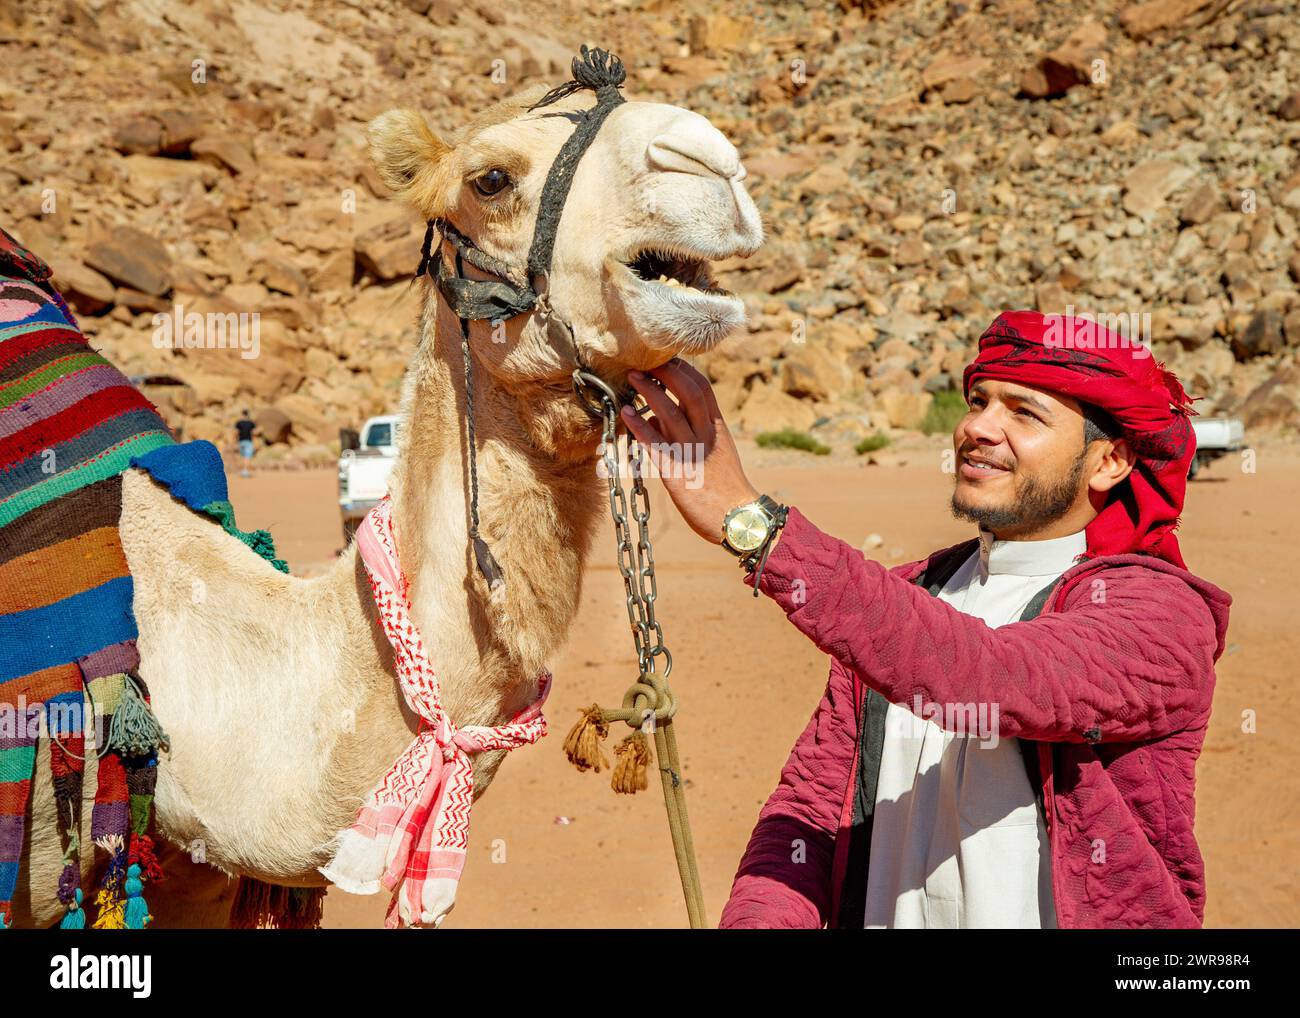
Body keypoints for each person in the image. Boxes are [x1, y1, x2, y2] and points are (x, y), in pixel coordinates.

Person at [618, 310, 1231, 929]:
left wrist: (757, 527)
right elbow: (813, 805)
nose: (977, 428)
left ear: (1110, 463)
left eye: (1024, 413)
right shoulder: (914, 594)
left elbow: (988, 678)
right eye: (978, 400)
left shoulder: (1161, 616)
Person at [235, 410, 256, 478]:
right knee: (247, 457)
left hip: (241, 441)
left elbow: (236, 432)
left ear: (242, 415)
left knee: (242, 456)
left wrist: (235, 440)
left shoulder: (239, 423)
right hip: (248, 442)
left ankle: (242, 471)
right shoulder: (251, 423)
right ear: (248, 415)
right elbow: (254, 432)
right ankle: (245, 470)